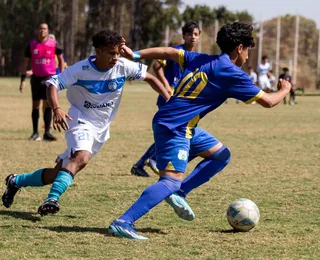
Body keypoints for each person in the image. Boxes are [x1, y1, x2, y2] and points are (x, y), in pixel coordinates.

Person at [108, 22, 292, 240]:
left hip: (182, 125)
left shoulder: (203, 58)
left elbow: (169, 52)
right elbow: (269, 101)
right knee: (169, 180)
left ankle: (180, 192)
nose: (248, 55)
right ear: (240, 48)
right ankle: (124, 221)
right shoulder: (232, 73)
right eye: (248, 49)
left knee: (220, 155)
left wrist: (136, 53)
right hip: (175, 126)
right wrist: (285, 89)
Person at [2, 29, 170, 216]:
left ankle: (16, 181)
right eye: (111, 53)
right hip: (79, 120)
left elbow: (150, 78)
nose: (116, 57)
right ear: (98, 51)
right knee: (82, 158)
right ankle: (52, 199)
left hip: (101, 128)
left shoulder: (123, 66)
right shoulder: (81, 69)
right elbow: (52, 84)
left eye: (117, 53)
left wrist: (168, 99)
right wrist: (57, 108)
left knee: (56, 173)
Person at [130, 21, 201, 177]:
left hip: (180, 101)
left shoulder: (194, 57)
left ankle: (141, 164)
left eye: (195, 34)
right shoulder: (176, 51)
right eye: (189, 34)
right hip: (168, 98)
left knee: (171, 132)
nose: (192, 37)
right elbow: (157, 66)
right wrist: (166, 85)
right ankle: (151, 160)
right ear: (184, 36)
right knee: (171, 132)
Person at [19, 23, 65, 141]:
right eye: (40, 29)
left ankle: (47, 133)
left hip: (49, 78)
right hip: (36, 78)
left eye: (44, 29)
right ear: (37, 30)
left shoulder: (53, 44)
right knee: (35, 105)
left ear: (48, 31)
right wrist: (23, 79)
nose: (42, 31)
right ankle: (35, 133)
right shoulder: (31, 45)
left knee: (47, 105)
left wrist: (61, 77)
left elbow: (61, 60)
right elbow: (25, 62)